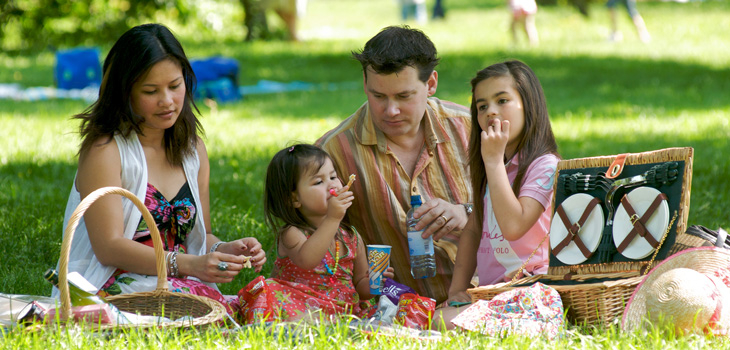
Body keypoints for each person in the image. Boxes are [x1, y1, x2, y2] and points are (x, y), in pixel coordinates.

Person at [53, 23, 266, 314]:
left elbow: (198, 238)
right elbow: (109, 247)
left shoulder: (193, 151)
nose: (167, 101)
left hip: (175, 280)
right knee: (209, 312)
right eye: (151, 91)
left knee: (262, 300)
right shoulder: (105, 151)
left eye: (175, 86)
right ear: (124, 92)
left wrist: (223, 250)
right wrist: (188, 265)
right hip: (111, 284)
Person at [316, 25, 472, 304]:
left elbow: (530, 205)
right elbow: (308, 239)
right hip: (394, 306)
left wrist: (467, 212)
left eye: (403, 96)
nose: (391, 111)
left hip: (484, 291)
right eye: (378, 96)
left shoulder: (470, 128)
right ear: (365, 84)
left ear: (431, 83)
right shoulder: (333, 153)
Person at [432, 60, 560, 329]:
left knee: (442, 323)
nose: (491, 111)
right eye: (482, 106)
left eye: (502, 100)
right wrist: (457, 290)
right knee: (430, 316)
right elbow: (473, 229)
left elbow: (514, 227)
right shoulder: (495, 167)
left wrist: (492, 161)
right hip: (493, 292)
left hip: (533, 289)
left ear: (529, 105)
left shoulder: (545, 166)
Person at [237, 144, 394, 323]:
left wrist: (376, 283)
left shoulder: (351, 237)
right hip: (300, 306)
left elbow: (360, 284)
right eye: (319, 182)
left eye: (333, 177)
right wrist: (333, 218)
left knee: (397, 309)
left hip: (343, 310)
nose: (332, 185)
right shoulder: (292, 233)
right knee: (270, 292)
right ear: (294, 199)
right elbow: (308, 260)